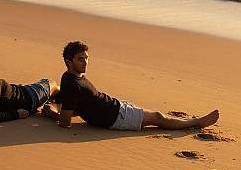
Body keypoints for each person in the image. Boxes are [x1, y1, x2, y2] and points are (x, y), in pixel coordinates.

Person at [42, 41, 219, 131]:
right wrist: (52, 114)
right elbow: (65, 122)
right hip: (116, 117)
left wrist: (57, 110)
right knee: (157, 117)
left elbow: (80, 106)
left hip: (115, 107)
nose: (86, 62)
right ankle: (196, 123)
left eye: (87, 58)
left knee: (154, 115)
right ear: (68, 61)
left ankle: (188, 121)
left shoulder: (71, 77)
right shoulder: (71, 83)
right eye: (81, 59)